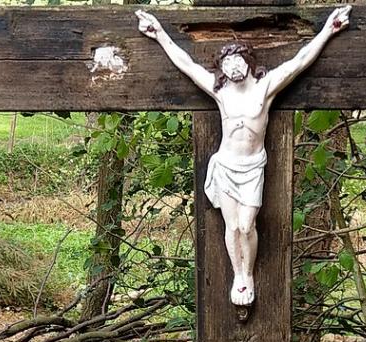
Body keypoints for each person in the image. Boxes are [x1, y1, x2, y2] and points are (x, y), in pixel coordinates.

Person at [137, 6, 352, 307]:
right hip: (226, 165)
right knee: (232, 226)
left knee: (247, 224)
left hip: (252, 168)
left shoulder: (265, 88)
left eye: (237, 60)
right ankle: (238, 276)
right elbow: (186, 64)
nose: (232, 67)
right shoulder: (220, 91)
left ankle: (248, 272)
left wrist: (328, 29)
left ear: (249, 61)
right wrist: (159, 33)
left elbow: (299, 62)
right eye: (226, 63)